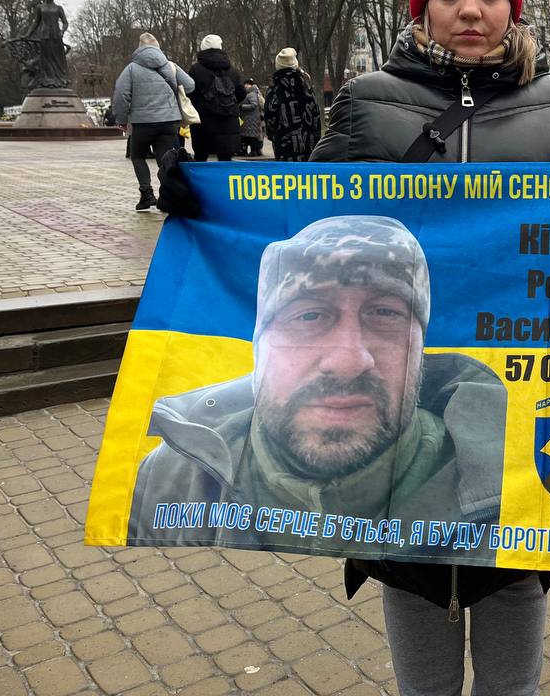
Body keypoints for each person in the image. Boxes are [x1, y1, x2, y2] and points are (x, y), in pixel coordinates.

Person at [159, 0, 550, 696]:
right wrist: (202, 204)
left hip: (527, 408)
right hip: (393, 408)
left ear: (513, 6)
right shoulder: (368, 105)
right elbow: (303, 235)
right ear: (422, 8)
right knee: (415, 608)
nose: (471, 9)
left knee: (513, 603)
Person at [128, 215, 505, 560]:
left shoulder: (502, 476)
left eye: (386, 313)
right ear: (260, 345)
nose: (348, 361)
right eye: (308, 315)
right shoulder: (174, 478)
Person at [112, 33, 195, 212]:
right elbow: (190, 85)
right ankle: (169, 195)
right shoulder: (170, 66)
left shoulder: (131, 69)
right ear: (157, 47)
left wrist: (121, 119)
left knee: (137, 155)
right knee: (164, 159)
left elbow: (121, 95)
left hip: (142, 123)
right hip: (168, 121)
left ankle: (146, 193)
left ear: (140, 48)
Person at [188, 34, 246, 162]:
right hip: (229, 123)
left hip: (204, 123)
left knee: (201, 160)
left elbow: (189, 93)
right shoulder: (233, 71)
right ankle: (223, 182)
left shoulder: (195, 70)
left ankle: (202, 183)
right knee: (226, 163)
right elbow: (241, 93)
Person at [264, 48, 321, 161]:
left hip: (284, 147)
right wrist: (315, 137)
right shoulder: (306, 87)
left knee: (286, 177)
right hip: (309, 145)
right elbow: (316, 115)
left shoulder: (274, 90)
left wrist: (274, 136)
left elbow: (270, 118)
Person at [239, 77, 265, 156]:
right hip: (249, 119)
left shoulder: (252, 94)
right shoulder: (253, 93)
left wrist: (242, 106)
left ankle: (254, 151)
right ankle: (254, 151)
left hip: (251, 119)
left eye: (247, 84)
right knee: (248, 136)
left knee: (252, 137)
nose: (245, 86)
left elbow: (254, 105)